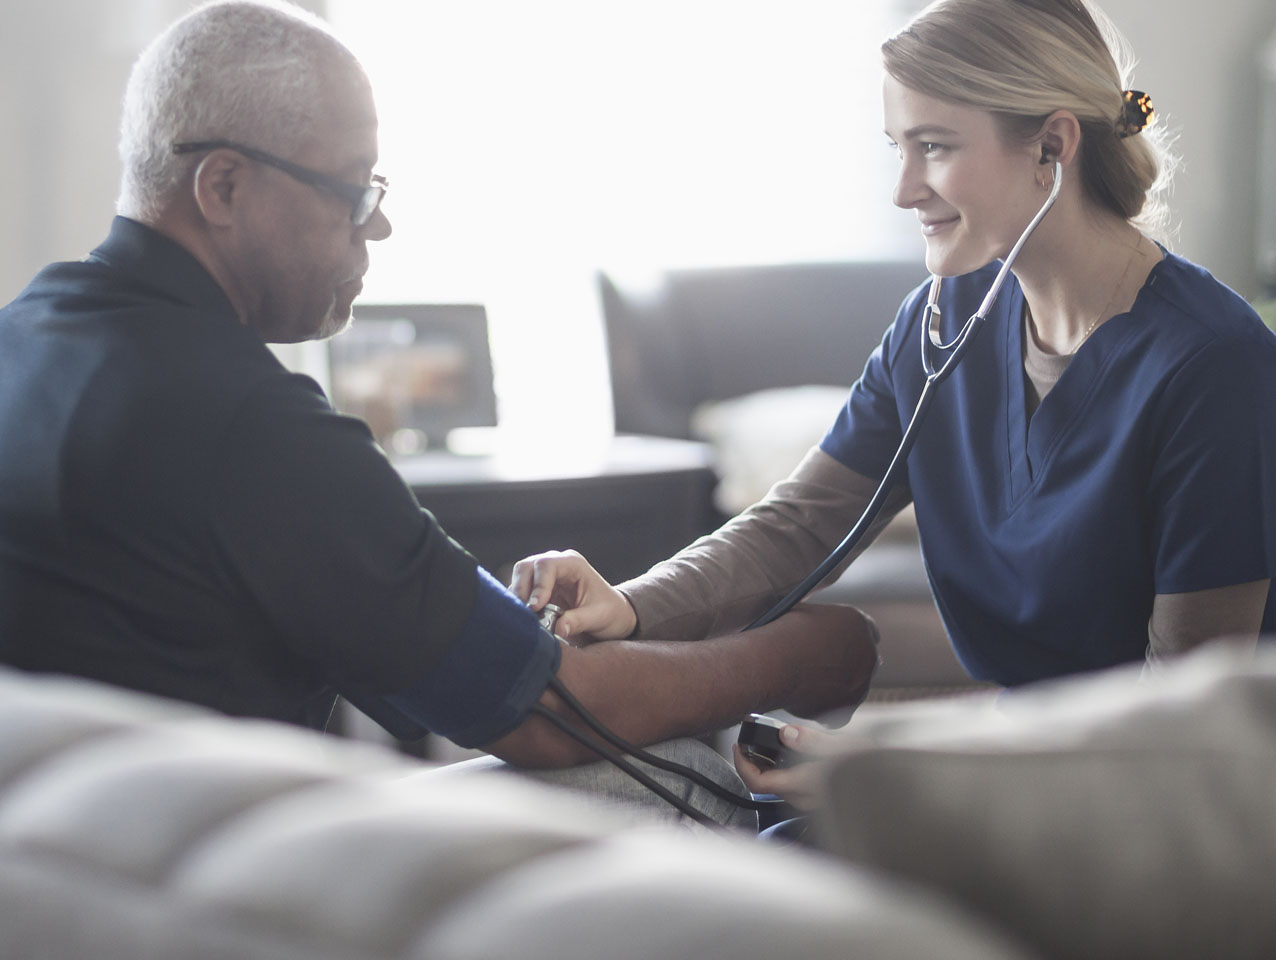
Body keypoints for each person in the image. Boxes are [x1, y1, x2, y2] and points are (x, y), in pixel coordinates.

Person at [0, 0, 881, 829]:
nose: (376, 228)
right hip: (218, 876)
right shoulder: (251, 426)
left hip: (66, 859)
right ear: (223, 187)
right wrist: (802, 652)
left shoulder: (25, 340)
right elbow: (553, 716)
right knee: (687, 781)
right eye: (351, 190)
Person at [510, 0, 1276, 802]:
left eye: (934, 149)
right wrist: (627, 606)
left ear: (1051, 145)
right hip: (1025, 777)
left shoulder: (1214, 370)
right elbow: (799, 525)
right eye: (897, 151)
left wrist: (892, 765)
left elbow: (1177, 731)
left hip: (1162, 823)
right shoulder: (941, 322)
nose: (904, 190)